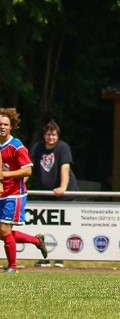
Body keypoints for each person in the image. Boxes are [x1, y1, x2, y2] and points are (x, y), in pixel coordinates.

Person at [0, 108, 49, 272]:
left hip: (14, 194)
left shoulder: (16, 146)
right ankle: (37, 241)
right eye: (0, 124)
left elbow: (28, 170)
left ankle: (12, 267)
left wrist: (4, 174)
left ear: (11, 126)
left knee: (4, 230)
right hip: (1, 193)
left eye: (5, 124)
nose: (2, 127)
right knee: (3, 233)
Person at [29, 120, 79, 267]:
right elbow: (29, 168)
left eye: (54, 135)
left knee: (62, 228)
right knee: (42, 229)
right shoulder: (37, 148)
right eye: (49, 134)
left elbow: (65, 168)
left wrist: (62, 188)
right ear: (44, 135)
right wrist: (21, 183)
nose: (51, 138)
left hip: (64, 196)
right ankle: (44, 258)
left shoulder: (63, 147)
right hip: (44, 195)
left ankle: (60, 258)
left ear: (58, 136)